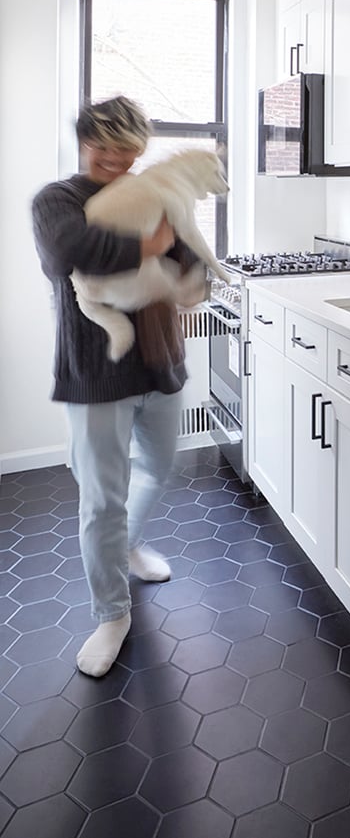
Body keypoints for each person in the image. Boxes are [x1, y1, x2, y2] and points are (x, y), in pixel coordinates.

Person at [32, 95, 201, 677]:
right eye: (99, 143)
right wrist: (148, 246)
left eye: (124, 146)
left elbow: (188, 255)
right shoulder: (58, 200)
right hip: (97, 370)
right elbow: (66, 252)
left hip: (161, 360)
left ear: (140, 147)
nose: (111, 156)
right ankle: (112, 613)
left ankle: (125, 543)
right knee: (101, 497)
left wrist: (189, 262)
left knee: (158, 466)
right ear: (83, 141)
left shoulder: (155, 193)